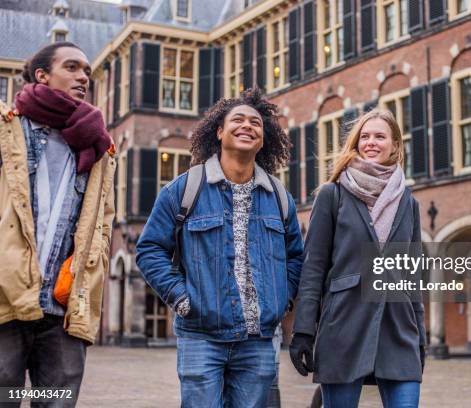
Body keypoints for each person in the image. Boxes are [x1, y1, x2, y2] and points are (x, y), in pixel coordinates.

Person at [136, 88, 303, 408]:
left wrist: (282, 298)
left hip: (259, 340)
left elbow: (296, 256)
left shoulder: (280, 198)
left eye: (256, 122)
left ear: (264, 139)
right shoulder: (183, 190)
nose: (248, 125)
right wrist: (182, 298)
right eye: (237, 119)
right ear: (219, 131)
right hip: (202, 336)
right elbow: (150, 250)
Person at [0, 42, 115, 405]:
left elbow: (102, 224)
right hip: (6, 298)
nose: (84, 76)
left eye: (87, 72)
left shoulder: (99, 149)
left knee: (56, 401)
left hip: (63, 307)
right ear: (42, 75)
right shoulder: (6, 131)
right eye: (72, 67)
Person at [289, 109, 427, 408]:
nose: (371, 142)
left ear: (395, 146)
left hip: (398, 329)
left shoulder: (408, 202)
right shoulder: (332, 195)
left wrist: (420, 337)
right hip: (343, 328)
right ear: (355, 143)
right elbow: (313, 268)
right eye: (365, 136)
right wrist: (303, 330)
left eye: (380, 136)